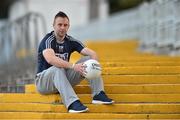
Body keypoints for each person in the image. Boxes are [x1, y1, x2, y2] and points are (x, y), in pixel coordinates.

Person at [35, 11, 114, 113]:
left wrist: (95, 67)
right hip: (43, 82)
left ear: (68, 26)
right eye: (59, 25)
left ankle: (98, 94)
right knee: (56, 68)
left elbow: (92, 53)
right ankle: (72, 103)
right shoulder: (48, 40)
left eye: (65, 25)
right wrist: (73, 66)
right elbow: (51, 59)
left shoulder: (70, 41)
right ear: (53, 25)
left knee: (88, 60)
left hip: (62, 80)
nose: (62, 28)